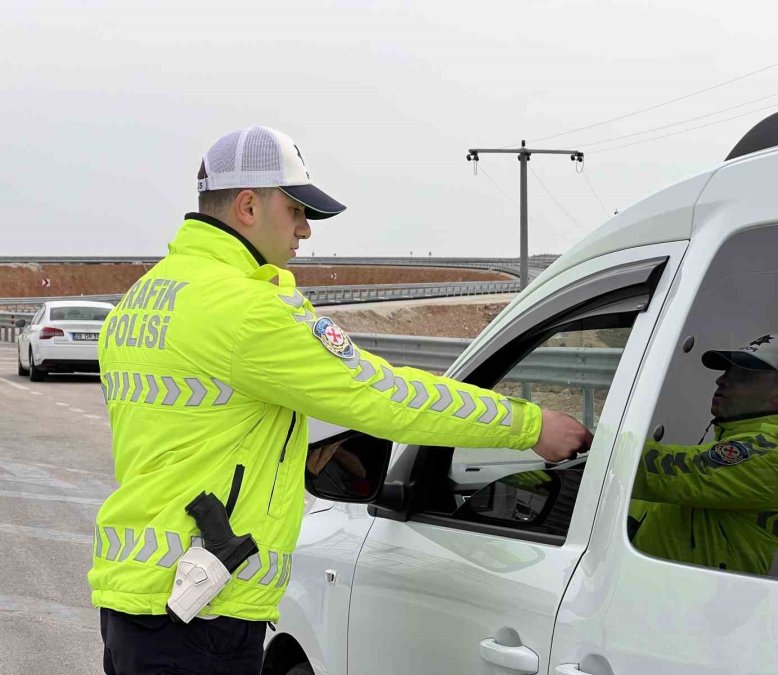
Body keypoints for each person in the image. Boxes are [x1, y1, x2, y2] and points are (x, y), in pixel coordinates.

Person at [89, 126, 592, 674]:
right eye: (297, 209)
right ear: (249, 205)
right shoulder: (247, 308)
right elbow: (386, 396)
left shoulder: (145, 299)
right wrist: (529, 425)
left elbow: (194, 426)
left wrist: (285, 449)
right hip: (203, 610)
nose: (305, 230)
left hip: (136, 594)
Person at [629, 334, 778, 576]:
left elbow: (659, 472)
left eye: (743, 376)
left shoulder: (770, 458)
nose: (721, 380)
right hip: (665, 596)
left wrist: (592, 442)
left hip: (699, 607)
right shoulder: (734, 442)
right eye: (727, 371)